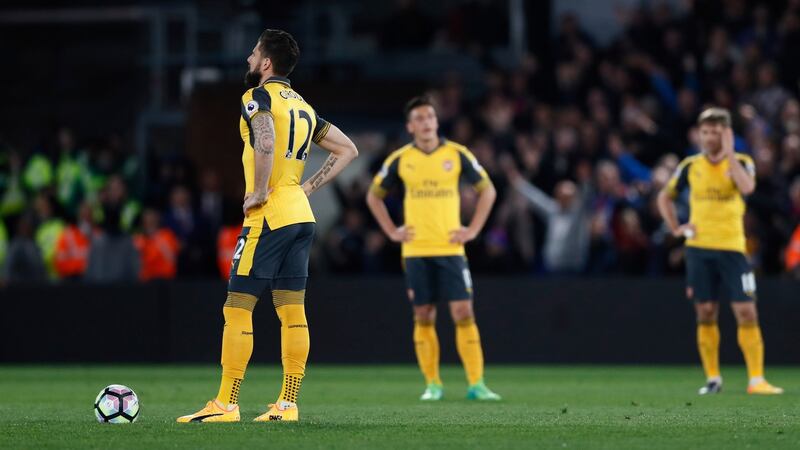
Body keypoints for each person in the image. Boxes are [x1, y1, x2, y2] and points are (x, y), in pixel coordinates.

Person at [178, 29, 358, 423]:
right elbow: (349, 149)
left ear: (266, 63)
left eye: (253, 52)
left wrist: (258, 190)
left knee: (237, 307)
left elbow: (265, 139)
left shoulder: (257, 97)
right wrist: (307, 186)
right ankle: (288, 404)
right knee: (292, 310)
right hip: (299, 214)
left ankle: (226, 403)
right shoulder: (306, 108)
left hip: (270, 214)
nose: (248, 58)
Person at [366, 96, 500, 401]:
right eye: (420, 118)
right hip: (415, 250)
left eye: (430, 117)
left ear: (436, 122)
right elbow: (373, 196)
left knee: (463, 311)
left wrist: (474, 229)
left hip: (451, 247)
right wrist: (391, 231)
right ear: (410, 126)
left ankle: (476, 384)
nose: (427, 122)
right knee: (424, 314)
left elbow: (488, 190)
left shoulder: (458, 154)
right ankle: (433, 384)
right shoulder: (400, 159)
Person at [656, 107, 783, 395]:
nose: (709, 137)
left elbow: (748, 188)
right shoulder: (690, 166)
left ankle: (756, 380)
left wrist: (728, 154)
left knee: (746, 311)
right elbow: (665, 196)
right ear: (699, 134)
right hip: (699, 250)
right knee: (706, 311)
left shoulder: (742, 162)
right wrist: (676, 227)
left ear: (726, 134)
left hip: (734, 250)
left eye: (716, 131)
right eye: (706, 131)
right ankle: (713, 379)